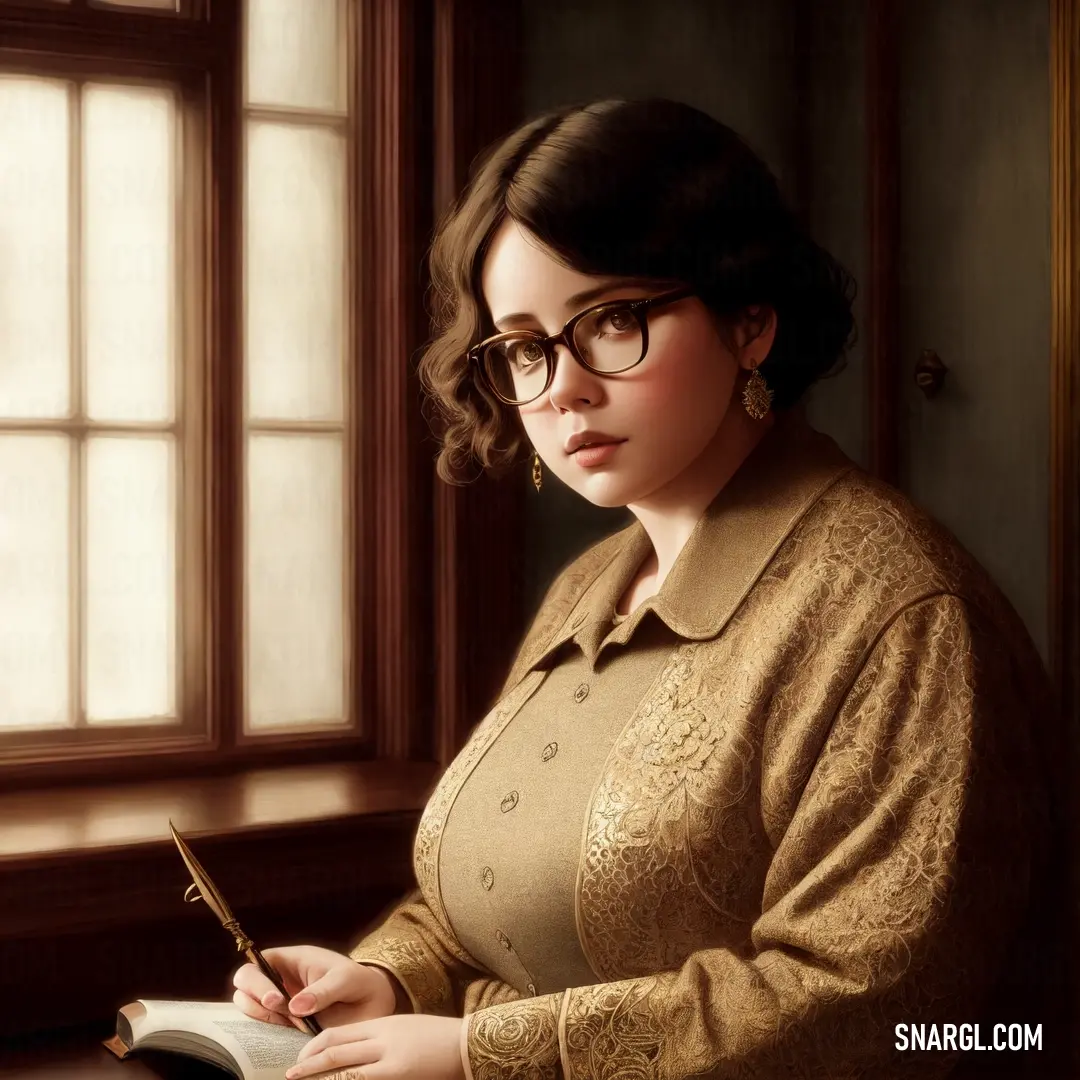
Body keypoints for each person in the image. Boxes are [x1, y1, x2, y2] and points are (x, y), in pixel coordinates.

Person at [232, 98, 1065, 1080]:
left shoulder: (899, 615)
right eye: (526, 346)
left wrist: (481, 1054)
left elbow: (877, 1006)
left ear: (750, 322)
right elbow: (493, 903)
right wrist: (387, 982)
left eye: (613, 320)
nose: (563, 388)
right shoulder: (593, 585)